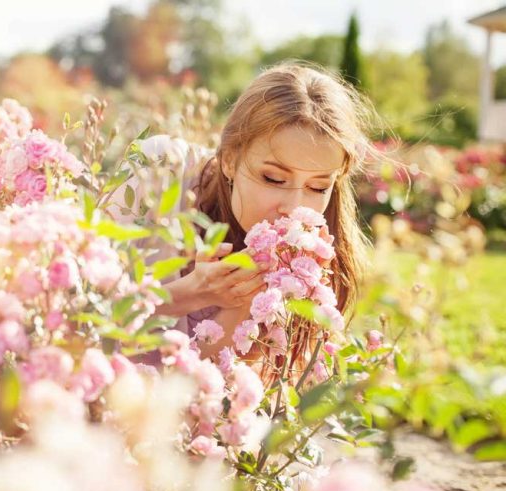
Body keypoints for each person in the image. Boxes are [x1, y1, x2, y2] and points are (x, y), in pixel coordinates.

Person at [111, 62, 376, 364]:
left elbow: (199, 387)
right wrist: (190, 293)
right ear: (230, 159)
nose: (294, 207)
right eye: (274, 179)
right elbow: (79, 321)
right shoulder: (160, 169)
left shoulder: (311, 262)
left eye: (317, 187)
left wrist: (248, 303)